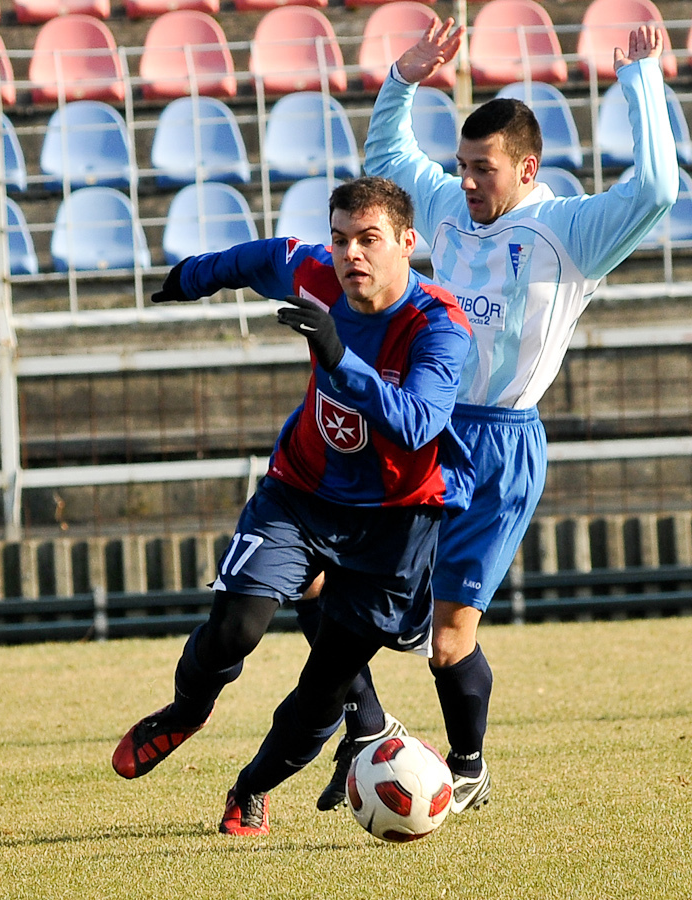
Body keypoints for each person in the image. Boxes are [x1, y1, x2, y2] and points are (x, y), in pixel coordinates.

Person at [306, 21, 679, 814]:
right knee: (330, 590)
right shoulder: (446, 206)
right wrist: (401, 82)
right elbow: (388, 160)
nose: (467, 180)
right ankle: (367, 735)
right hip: (423, 431)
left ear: (526, 169)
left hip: (501, 449)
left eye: (485, 168)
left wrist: (641, 82)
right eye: (463, 165)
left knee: (448, 640)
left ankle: (466, 765)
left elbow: (656, 191)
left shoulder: (570, 230)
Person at [112, 177, 473, 835]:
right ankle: (185, 713)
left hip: (395, 521)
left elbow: (419, 424)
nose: (351, 254)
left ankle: (251, 787)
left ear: (406, 242)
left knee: (326, 686)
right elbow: (260, 259)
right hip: (301, 492)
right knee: (234, 628)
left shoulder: (439, 325)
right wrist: (191, 278)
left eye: (369, 239)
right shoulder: (317, 274)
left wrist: (339, 356)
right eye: (340, 239)